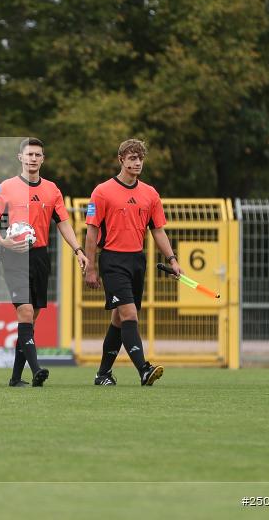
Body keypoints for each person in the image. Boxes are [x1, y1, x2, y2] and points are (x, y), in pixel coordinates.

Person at [0, 138, 89, 387]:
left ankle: (14, 378)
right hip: (14, 256)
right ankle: (36, 370)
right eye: (29, 154)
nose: (33, 159)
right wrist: (4, 241)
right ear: (20, 157)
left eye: (37, 155)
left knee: (31, 319)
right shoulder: (6, 187)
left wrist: (78, 250)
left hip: (40, 256)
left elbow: (63, 222)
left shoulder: (52, 190)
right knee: (26, 311)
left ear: (43, 159)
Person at [84, 139, 179, 386]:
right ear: (121, 160)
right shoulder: (102, 191)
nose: (137, 163)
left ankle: (103, 374)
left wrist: (172, 259)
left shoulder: (150, 194)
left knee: (119, 319)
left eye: (140, 159)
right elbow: (92, 232)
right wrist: (91, 267)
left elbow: (158, 231)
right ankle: (144, 370)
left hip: (137, 261)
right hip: (112, 260)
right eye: (132, 158)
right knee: (129, 315)